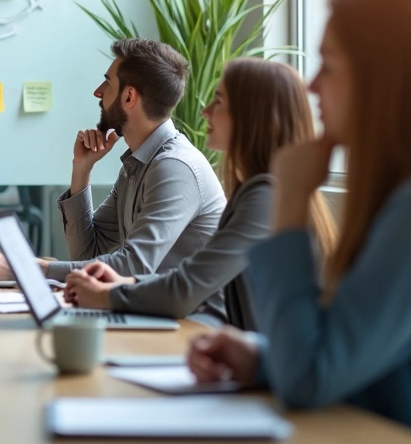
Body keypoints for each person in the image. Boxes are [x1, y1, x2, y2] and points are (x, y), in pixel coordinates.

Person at [188, 0, 411, 444]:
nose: (313, 84)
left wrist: (291, 201)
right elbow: (364, 355)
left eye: (329, 65)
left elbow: (309, 377)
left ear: (386, 79)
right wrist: (261, 358)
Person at [62, 58, 336, 327]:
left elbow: (186, 287)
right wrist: (124, 283)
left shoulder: (263, 197)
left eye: (219, 101)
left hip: (220, 336)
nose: (205, 112)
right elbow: (186, 278)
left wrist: (108, 293)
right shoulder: (257, 192)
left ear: (250, 116)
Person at [0, 38, 225, 282]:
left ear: (129, 97)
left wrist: (25, 269)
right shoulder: (138, 165)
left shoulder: (174, 167)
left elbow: (135, 266)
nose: (98, 92)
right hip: (156, 314)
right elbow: (87, 253)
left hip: (193, 325)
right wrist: (82, 169)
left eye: (108, 82)